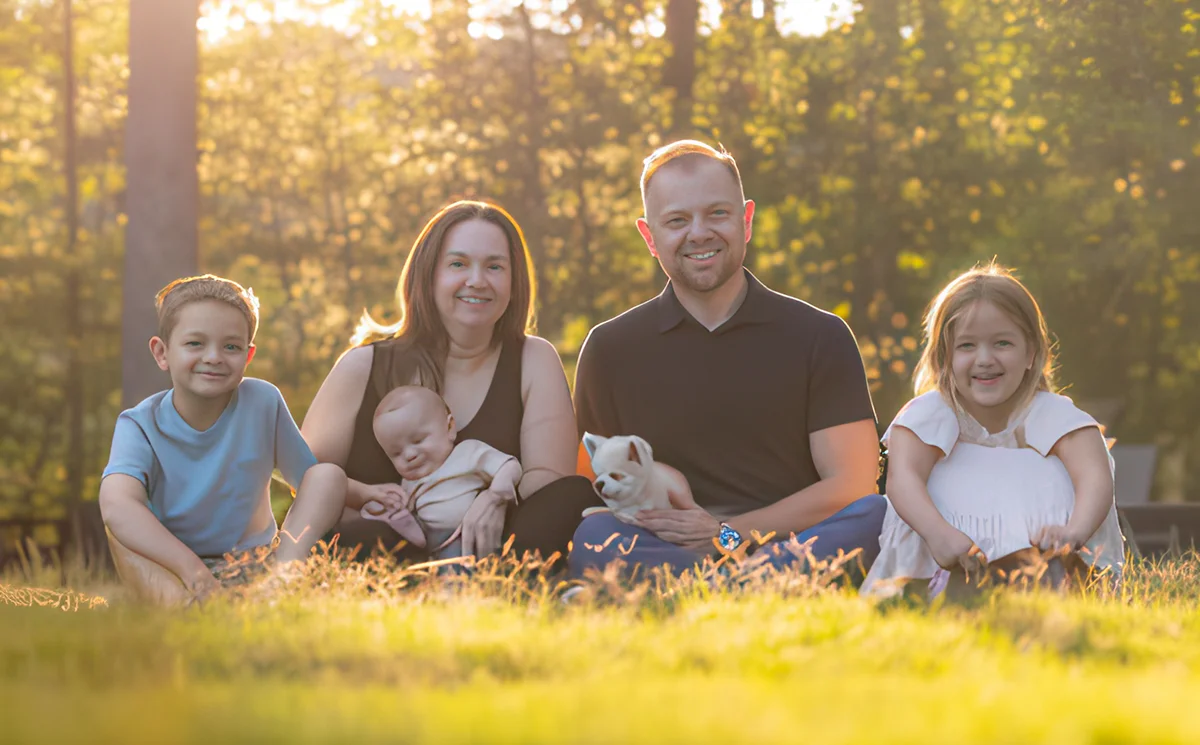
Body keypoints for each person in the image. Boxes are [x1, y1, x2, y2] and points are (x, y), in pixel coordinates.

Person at [569, 140, 886, 577]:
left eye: (717, 213)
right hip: (667, 548)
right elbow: (591, 489)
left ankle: (722, 585)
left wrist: (725, 534)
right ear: (650, 237)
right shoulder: (610, 348)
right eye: (677, 220)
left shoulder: (820, 335)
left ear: (746, 220)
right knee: (593, 536)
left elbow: (851, 486)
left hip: (789, 543)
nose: (699, 233)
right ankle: (750, 587)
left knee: (875, 517)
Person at [302, 200, 600, 564]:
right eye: (458, 264)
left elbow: (547, 477)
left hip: (488, 543)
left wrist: (489, 501)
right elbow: (307, 475)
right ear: (428, 274)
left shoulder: (534, 358)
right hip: (381, 541)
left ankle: (495, 586)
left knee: (571, 495)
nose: (477, 280)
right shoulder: (363, 365)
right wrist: (370, 500)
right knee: (366, 538)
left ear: (513, 279)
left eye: (495, 266)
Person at [861, 264, 1124, 597]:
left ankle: (1053, 576)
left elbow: (1095, 476)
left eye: (1002, 343)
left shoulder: (1053, 414)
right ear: (944, 357)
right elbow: (904, 478)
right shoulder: (931, 414)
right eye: (967, 346)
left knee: (1057, 470)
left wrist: (1073, 533)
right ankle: (930, 588)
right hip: (943, 553)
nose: (984, 359)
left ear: (1030, 352)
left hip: (1052, 553)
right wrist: (939, 533)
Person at [99, 275, 347, 606]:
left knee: (328, 476)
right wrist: (195, 573)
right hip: (175, 565)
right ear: (162, 352)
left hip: (253, 561)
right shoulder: (139, 424)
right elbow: (116, 503)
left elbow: (307, 479)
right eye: (195, 344)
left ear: (248, 355)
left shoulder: (262, 401)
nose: (214, 356)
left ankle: (284, 580)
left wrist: (368, 495)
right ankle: (187, 605)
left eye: (231, 346)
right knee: (119, 520)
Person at [362, 385, 522, 559]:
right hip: (434, 547)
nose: (409, 455)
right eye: (396, 453)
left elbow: (510, 465)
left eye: (418, 440)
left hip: (474, 532)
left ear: (450, 428)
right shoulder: (410, 482)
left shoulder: (467, 453)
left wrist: (498, 491)